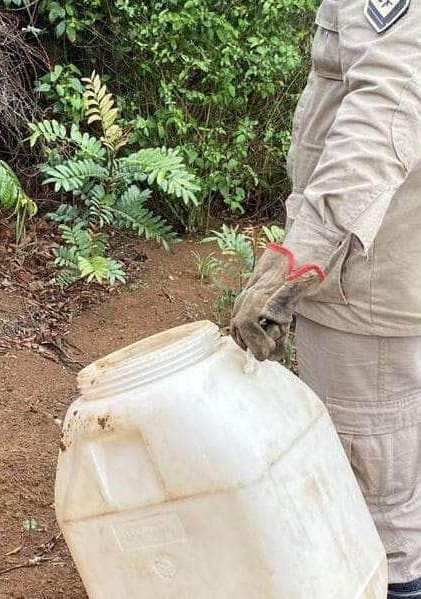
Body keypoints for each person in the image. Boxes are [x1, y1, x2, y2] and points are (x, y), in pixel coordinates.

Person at [229, 0, 421, 596]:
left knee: (374, 512)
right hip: (384, 268)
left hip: (365, 285)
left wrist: (300, 257)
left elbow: (385, 110)